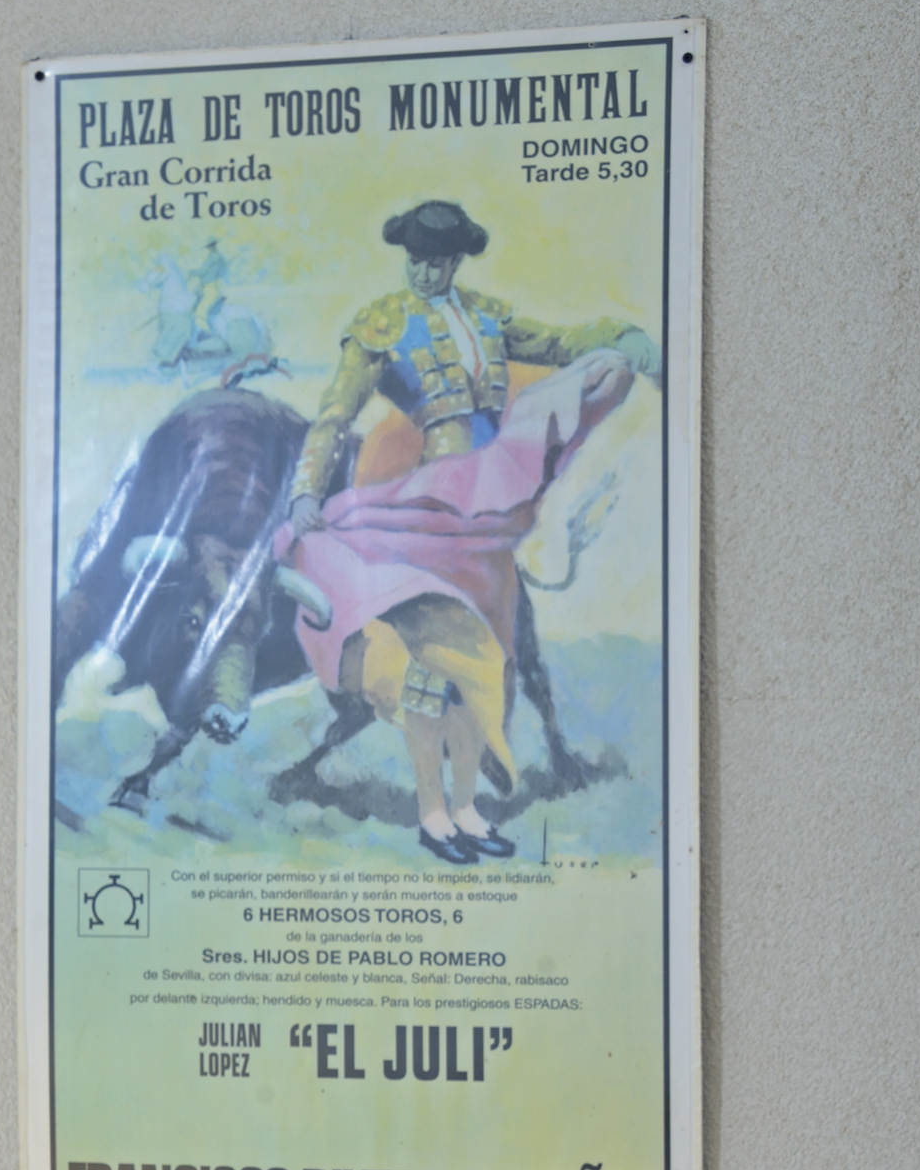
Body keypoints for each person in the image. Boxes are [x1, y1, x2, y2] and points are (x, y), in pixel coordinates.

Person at [282, 200, 661, 862]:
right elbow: (334, 414)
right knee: (433, 671)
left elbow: (559, 343)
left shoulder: (488, 314)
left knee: (490, 670)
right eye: (415, 260)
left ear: (455, 259)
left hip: (491, 513)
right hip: (429, 510)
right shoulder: (382, 322)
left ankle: (466, 809)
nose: (423, 272)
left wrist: (622, 337)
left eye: (435, 260)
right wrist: (307, 488)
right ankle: (432, 815)